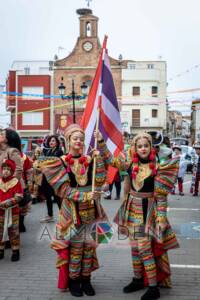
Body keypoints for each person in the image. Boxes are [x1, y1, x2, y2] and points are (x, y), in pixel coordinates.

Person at [98, 132, 179, 300]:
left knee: (145, 249)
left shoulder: (158, 168)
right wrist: (100, 142)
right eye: (139, 146)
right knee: (135, 247)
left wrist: (161, 219)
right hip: (132, 210)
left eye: (146, 145)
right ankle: (137, 279)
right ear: (135, 148)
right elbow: (112, 161)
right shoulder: (130, 165)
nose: (143, 148)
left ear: (151, 147)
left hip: (149, 211)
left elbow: (161, 197)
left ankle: (153, 287)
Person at [38, 124, 108, 297]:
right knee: (76, 248)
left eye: (82, 139)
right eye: (75, 138)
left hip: (92, 210)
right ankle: (74, 280)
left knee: (89, 247)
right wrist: (85, 196)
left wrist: (99, 159)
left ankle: (86, 279)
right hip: (72, 213)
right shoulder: (60, 162)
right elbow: (63, 191)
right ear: (68, 141)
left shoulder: (90, 160)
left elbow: (99, 181)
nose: (79, 141)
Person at [0, 159, 23, 261]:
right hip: (0, 212)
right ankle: (1, 251)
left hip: (13, 212)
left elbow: (19, 196)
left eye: (8, 169)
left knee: (13, 232)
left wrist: (7, 202)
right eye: (4, 169)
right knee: (0, 232)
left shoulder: (16, 182)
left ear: (12, 171)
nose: (5, 171)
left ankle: (15, 251)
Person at [40, 135, 63, 222]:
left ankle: (63, 214)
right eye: (50, 141)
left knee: (56, 196)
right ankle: (50, 215)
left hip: (54, 177)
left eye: (53, 141)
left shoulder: (59, 152)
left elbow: (54, 162)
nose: (51, 142)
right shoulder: (48, 151)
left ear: (57, 143)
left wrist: (45, 161)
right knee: (47, 196)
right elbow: (43, 162)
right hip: (46, 177)